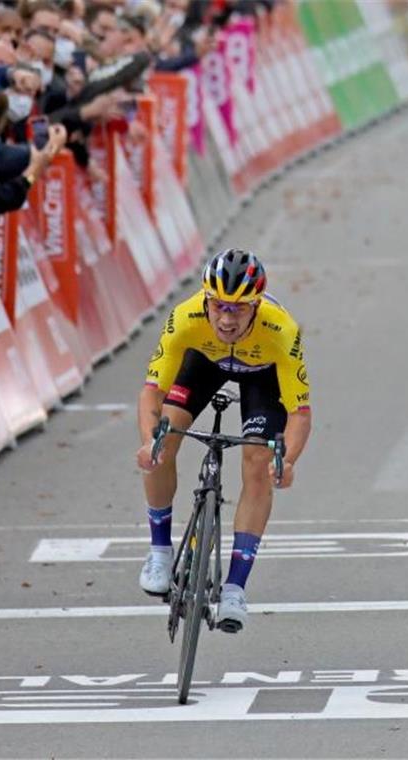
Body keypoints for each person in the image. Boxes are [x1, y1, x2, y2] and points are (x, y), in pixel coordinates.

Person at [135, 249, 312, 633]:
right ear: (206, 300)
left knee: (258, 463)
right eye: (219, 307)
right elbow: (152, 390)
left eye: (238, 309)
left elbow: (299, 412)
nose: (227, 318)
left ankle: (234, 589)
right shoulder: (186, 317)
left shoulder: (281, 330)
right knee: (163, 441)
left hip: (262, 375)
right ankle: (160, 553)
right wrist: (150, 440)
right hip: (204, 362)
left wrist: (289, 460)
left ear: (256, 306)